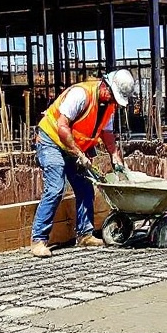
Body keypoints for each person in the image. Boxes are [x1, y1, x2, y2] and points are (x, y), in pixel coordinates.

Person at [30, 70, 135, 258]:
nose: (113, 102)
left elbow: (108, 135)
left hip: (74, 146)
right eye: (113, 96)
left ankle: (84, 235)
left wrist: (115, 157)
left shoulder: (109, 106)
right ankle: (39, 240)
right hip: (52, 140)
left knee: (85, 188)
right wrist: (79, 153)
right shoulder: (80, 94)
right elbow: (62, 126)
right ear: (106, 86)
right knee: (55, 188)